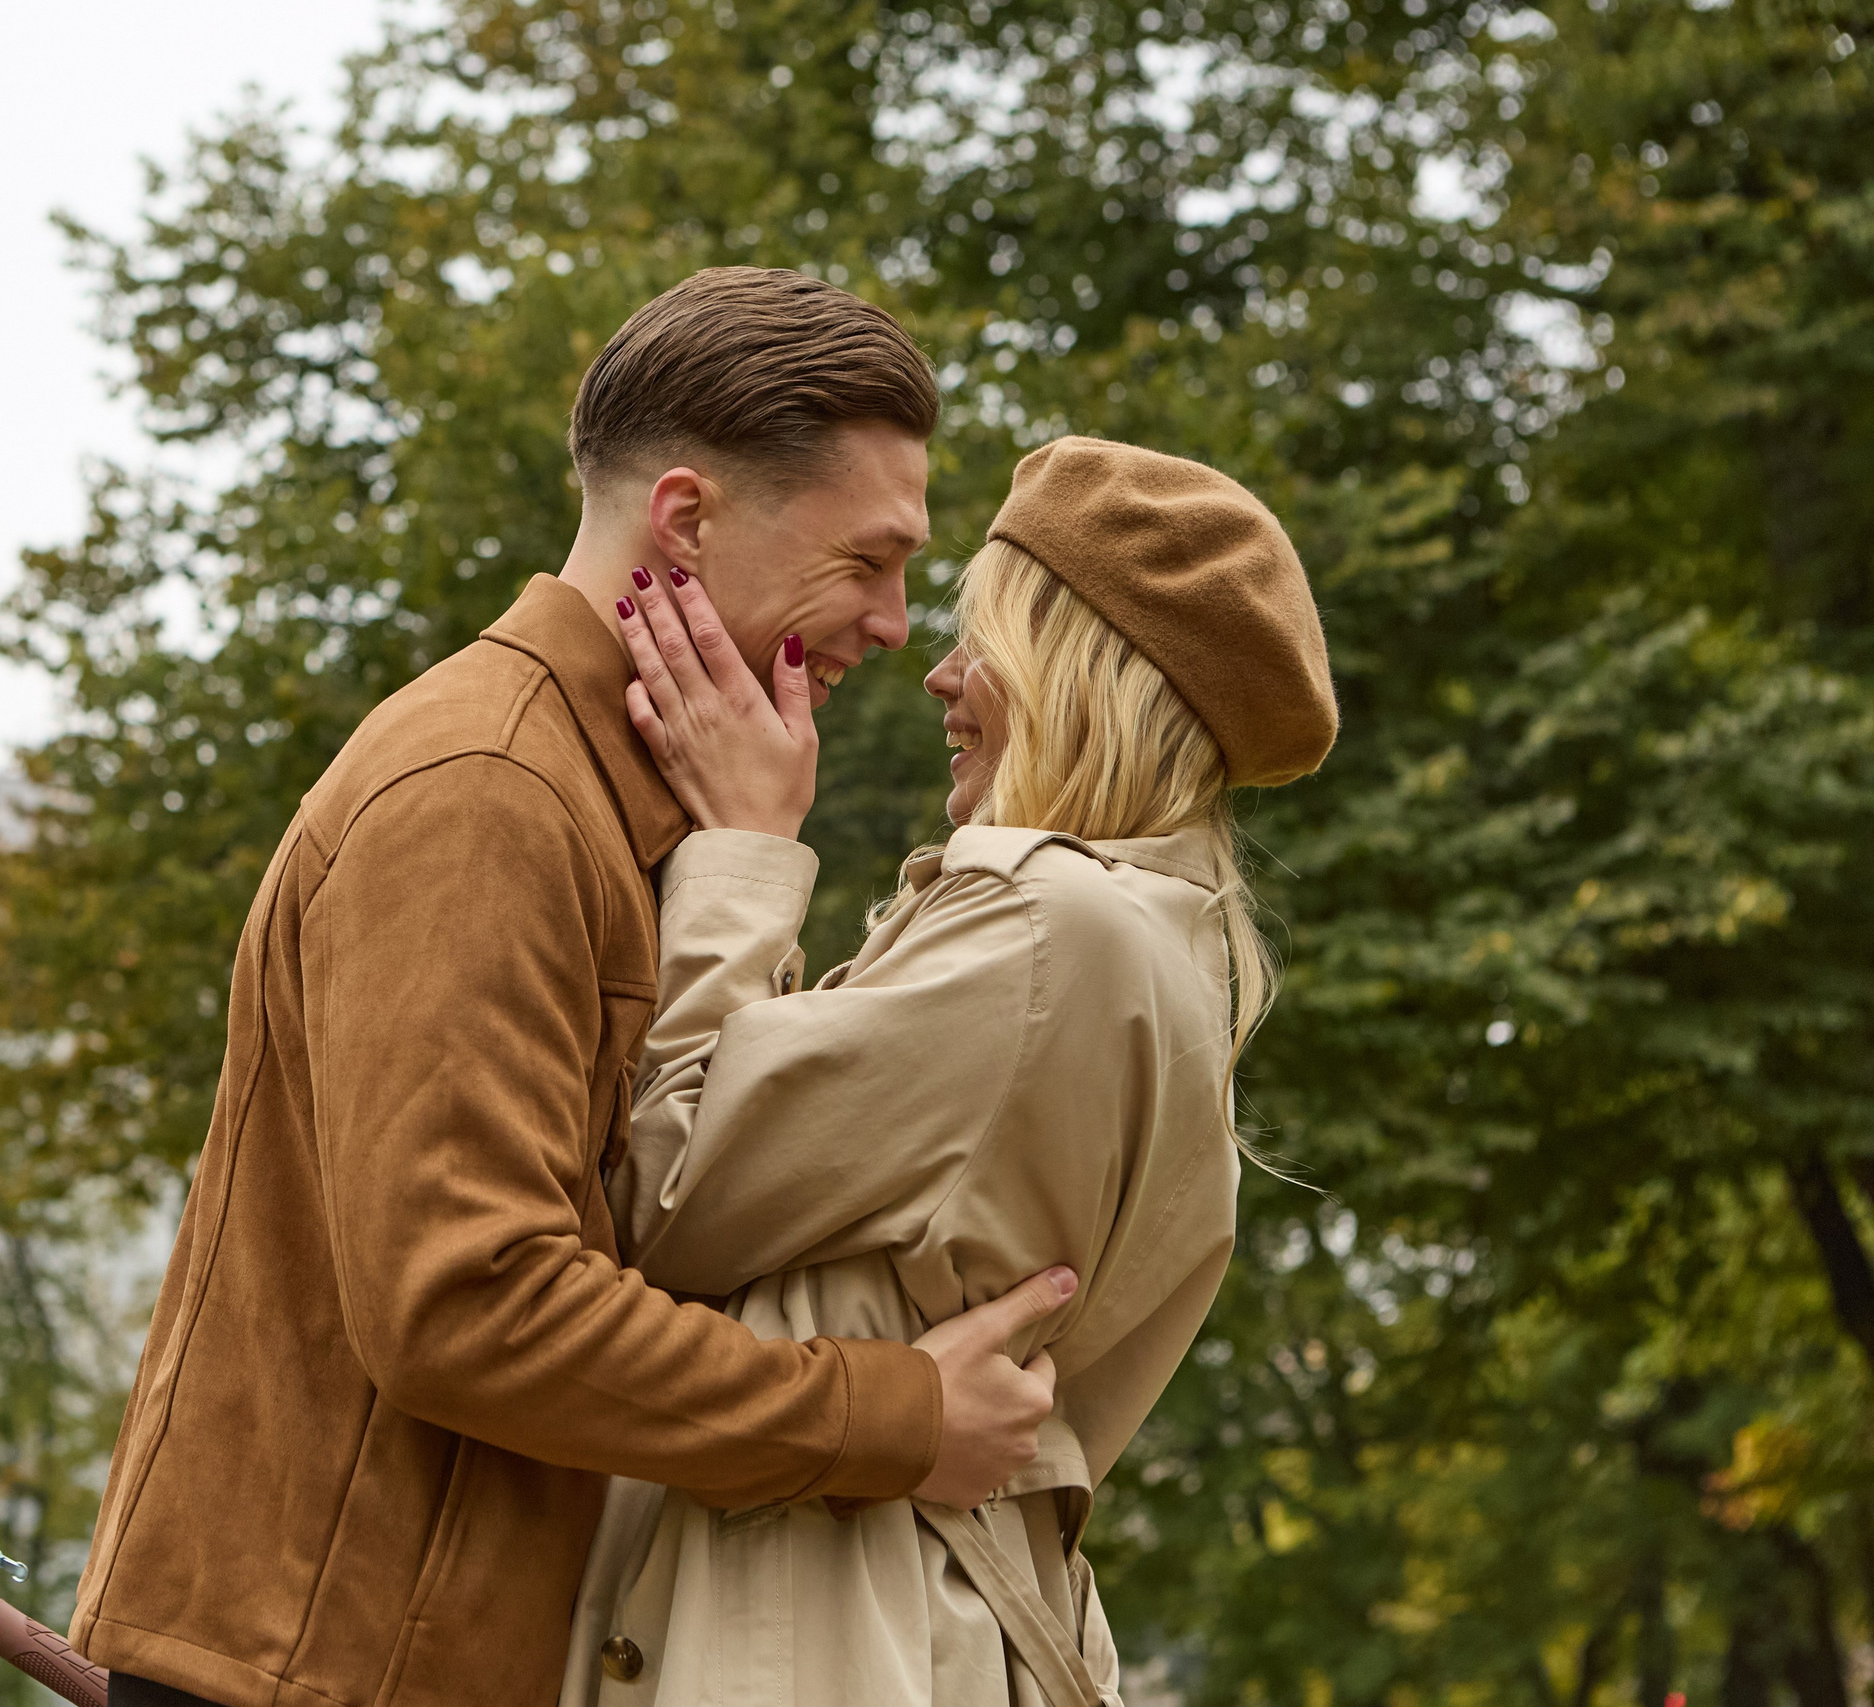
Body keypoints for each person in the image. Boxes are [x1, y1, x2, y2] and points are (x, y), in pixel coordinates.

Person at [71, 269, 1080, 1707]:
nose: (895, 622)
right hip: (332, 1672)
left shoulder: (610, 794)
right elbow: (470, 1301)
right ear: (687, 517)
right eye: (868, 560)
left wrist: (747, 854)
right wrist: (893, 1412)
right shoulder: (485, 793)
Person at [559, 437, 1339, 1706]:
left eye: (985, 641)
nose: (940, 676)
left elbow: (660, 1197)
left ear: (1076, 676)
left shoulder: (1040, 926)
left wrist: (743, 853)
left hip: (823, 1629)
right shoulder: (1170, 947)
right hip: (936, 1621)